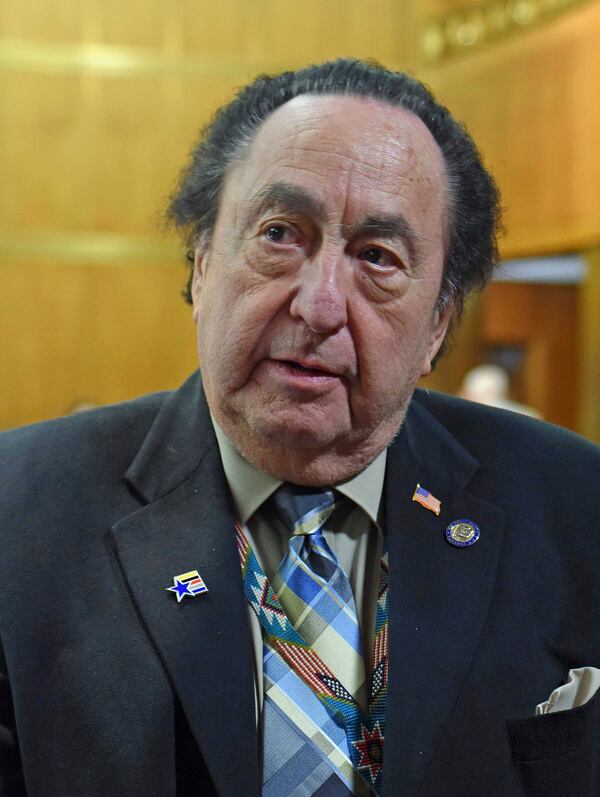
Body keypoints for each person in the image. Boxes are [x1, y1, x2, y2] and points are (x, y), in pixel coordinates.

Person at [0, 59, 598, 797]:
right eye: (280, 233)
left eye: (378, 258)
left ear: (439, 325)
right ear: (202, 262)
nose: (318, 306)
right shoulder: (17, 516)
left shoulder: (576, 505)